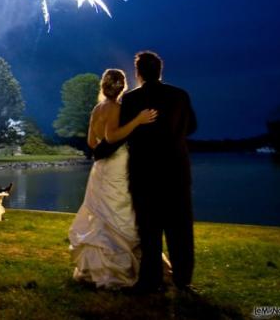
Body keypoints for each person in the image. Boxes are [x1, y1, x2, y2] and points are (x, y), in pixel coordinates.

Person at [68, 69, 158, 289]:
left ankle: (96, 268)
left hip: (99, 169)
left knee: (101, 215)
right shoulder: (116, 108)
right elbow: (111, 136)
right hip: (116, 165)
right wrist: (137, 120)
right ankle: (117, 271)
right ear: (123, 86)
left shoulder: (97, 109)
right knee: (118, 211)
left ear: (103, 86)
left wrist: (103, 147)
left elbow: (92, 142)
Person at [120, 51, 197, 294]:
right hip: (176, 171)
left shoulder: (131, 99)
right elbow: (192, 126)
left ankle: (150, 279)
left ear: (138, 73)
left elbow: (126, 131)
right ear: (160, 71)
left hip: (145, 172)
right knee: (180, 227)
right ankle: (183, 278)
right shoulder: (180, 96)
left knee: (149, 228)